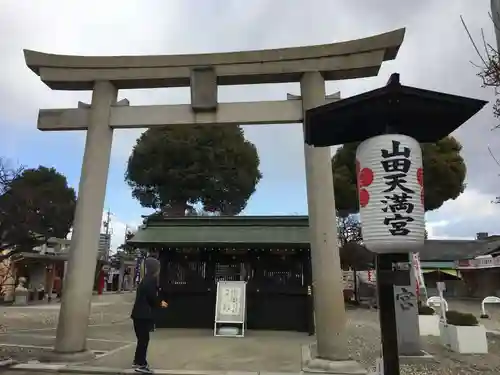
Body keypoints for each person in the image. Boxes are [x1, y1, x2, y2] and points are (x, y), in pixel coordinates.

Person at [131, 257, 168, 373]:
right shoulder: (151, 279)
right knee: (144, 340)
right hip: (143, 314)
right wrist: (160, 302)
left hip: (138, 314)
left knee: (142, 339)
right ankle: (141, 364)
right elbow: (151, 297)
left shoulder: (145, 279)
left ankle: (137, 361)